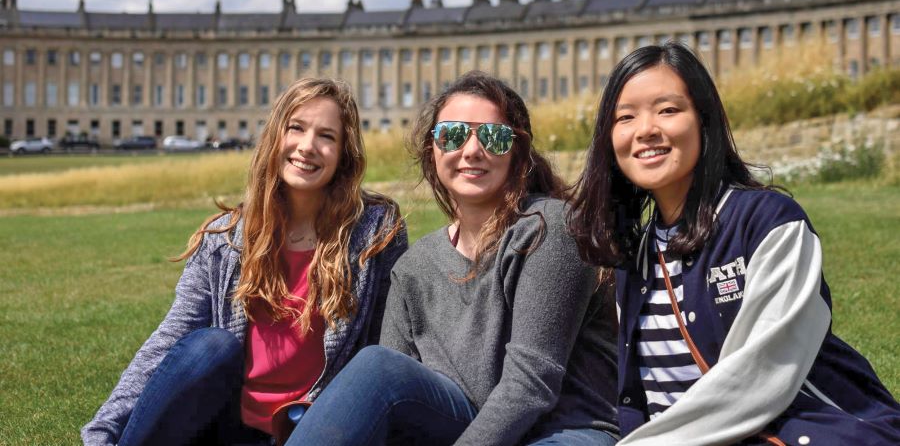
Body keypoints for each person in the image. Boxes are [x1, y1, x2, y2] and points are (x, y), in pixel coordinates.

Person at [568, 42, 900, 445]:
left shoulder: (770, 222)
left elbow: (759, 379)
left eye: (668, 110)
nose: (646, 129)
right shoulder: (634, 257)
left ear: (704, 121)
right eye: (625, 117)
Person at [286, 71, 619, 446]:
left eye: (493, 137)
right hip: (463, 427)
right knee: (376, 366)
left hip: (560, 431)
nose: (472, 150)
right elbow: (392, 397)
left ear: (517, 152)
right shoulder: (413, 269)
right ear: (433, 150)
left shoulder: (549, 229)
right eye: (453, 135)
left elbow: (531, 386)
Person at [82, 78, 407, 446]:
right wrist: (103, 429)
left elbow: (386, 348)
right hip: (227, 424)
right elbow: (171, 338)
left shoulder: (375, 231)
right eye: (295, 128)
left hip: (312, 427)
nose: (307, 146)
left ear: (344, 153)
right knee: (210, 346)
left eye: (326, 136)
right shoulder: (225, 237)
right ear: (274, 137)